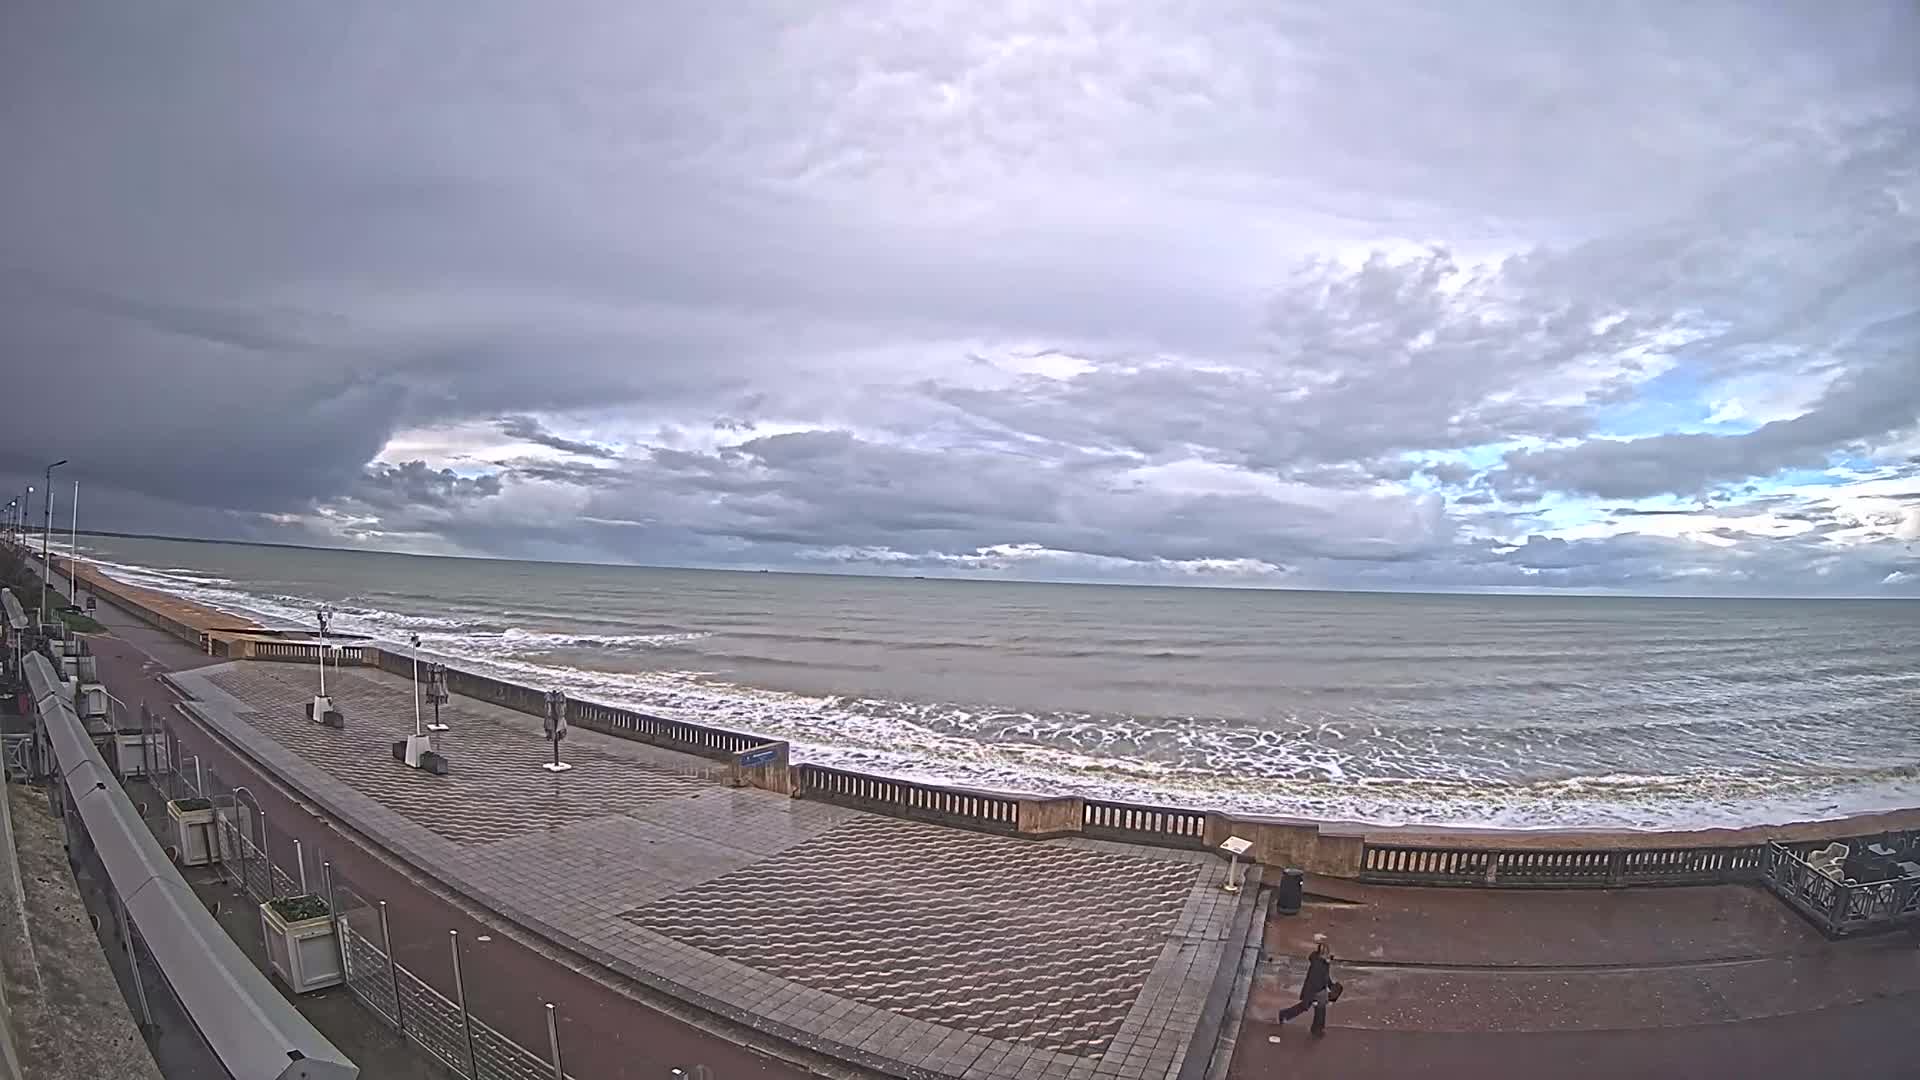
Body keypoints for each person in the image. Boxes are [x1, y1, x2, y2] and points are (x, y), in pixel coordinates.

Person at [1277, 938, 1341, 1036]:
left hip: (1318, 991)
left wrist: (1330, 985)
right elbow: (1314, 981)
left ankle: (1286, 1015)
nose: (1328, 956)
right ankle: (1316, 1029)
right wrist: (1315, 995)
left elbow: (1325, 977)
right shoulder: (1317, 965)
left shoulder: (1323, 963)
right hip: (1315, 991)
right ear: (1322, 954)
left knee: (1309, 1008)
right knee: (1314, 1009)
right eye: (1327, 954)